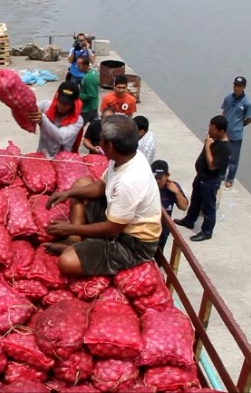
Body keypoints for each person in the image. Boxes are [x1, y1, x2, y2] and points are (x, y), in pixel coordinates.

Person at [43, 115, 162, 277]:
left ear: (110, 146)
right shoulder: (123, 157)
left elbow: (112, 228)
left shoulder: (129, 181)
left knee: (67, 262)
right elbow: (102, 186)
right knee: (81, 184)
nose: (99, 143)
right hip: (119, 219)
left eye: (101, 140)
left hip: (132, 242)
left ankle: (79, 247)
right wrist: (68, 193)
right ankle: (75, 240)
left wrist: (70, 228)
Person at [174, 115, 231, 242]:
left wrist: (207, 145)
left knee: (208, 207)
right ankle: (189, 220)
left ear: (221, 131)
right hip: (201, 177)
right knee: (195, 200)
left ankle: (207, 231)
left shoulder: (225, 148)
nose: (209, 131)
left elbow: (212, 165)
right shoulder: (214, 139)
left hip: (210, 180)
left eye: (212, 129)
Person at [28, 81, 84, 159]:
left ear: (74, 103)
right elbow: (28, 110)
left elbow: (62, 138)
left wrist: (43, 120)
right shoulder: (46, 105)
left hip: (62, 161)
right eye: (60, 101)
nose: (61, 106)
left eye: (66, 104)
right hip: (41, 157)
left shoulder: (78, 120)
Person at [221, 76, 251, 190]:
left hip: (236, 135)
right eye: (235, 85)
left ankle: (230, 179)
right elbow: (224, 113)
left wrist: (239, 126)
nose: (236, 88)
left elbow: (249, 119)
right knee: (222, 155)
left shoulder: (247, 103)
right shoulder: (228, 98)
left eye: (239, 86)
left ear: (244, 87)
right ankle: (221, 176)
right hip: (224, 132)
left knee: (233, 159)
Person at [151, 160, 188, 253]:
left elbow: (184, 207)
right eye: (155, 177)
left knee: (159, 254)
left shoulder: (173, 187)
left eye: (160, 178)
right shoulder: (147, 186)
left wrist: (177, 192)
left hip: (162, 230)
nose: (157, 181)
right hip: (147, 228)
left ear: (167, 175)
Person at [71, 55, 100, 153]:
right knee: (97, 126)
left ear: (86, 65)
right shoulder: (94, 72)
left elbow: (92, 95)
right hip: (94, 106)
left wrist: (78, 95)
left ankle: (73, 148)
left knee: (76, 128)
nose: (77, 67)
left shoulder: (87, 79)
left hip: (86, 109)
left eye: (79, 65)